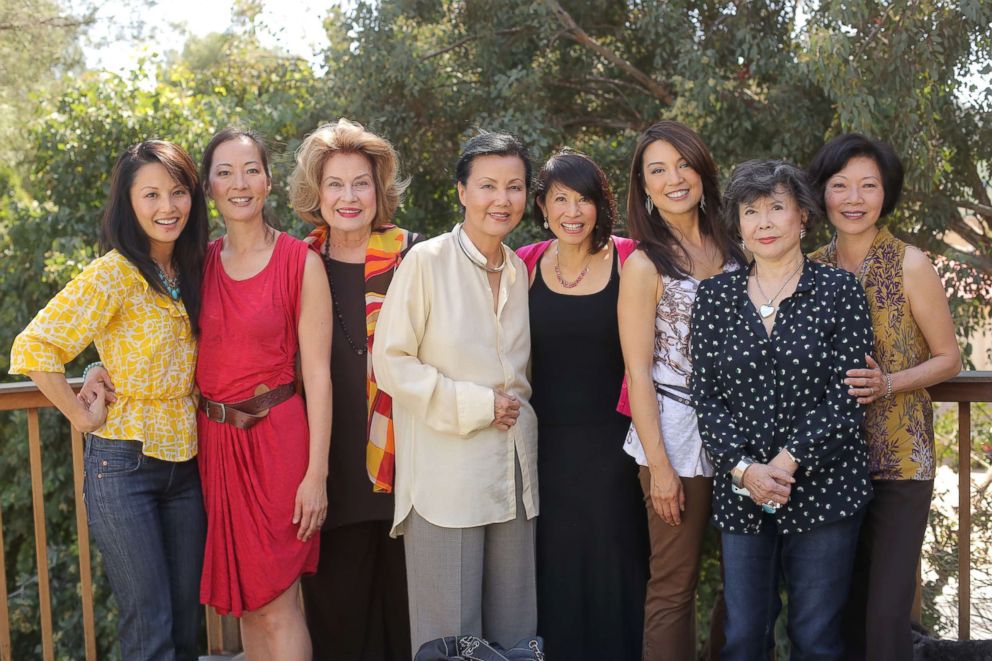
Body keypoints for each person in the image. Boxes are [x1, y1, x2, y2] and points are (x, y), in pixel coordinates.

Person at [10, 140, 209, 661]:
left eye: (178, 191)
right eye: (151, 195)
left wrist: (99, 365)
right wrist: (79, 413)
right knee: (151, 627)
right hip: (124, 465)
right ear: (129, 203)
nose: (167, 207)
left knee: (188, 625)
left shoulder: (192, 268)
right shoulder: (114, 272)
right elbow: (34, 345)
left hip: (187, 462)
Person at [691, 159, 874, 659]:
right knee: (743, 636)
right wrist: (747, 470)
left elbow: (848, 395)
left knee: (815, 638)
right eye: (752, 211)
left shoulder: (839, 292)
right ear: (738, 225)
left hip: (826, 489)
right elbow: (705, 397)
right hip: (741, 492)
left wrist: (786, 462)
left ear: (803, 218)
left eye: (777, 208)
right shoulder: (714, 298)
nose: (765, 222)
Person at [371, 132, 539, 655]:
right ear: (462, 192)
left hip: (513, 475)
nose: (502, 199)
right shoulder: (426, 262)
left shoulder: (518, 268)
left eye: (514, 186)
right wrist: (476, 404)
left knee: (514, 636)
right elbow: (392, 363)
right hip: (445, 479)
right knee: (449, 641)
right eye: (487, 185)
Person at [807, 134, 961, 661]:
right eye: (840, 185)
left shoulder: (911, 263)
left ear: (885, 194)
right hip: (827, 461)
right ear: (822, 194)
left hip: (900, 459)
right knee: (836, 606)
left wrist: (889, 382)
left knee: (887, 612)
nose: (854, 198)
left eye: (868, 186)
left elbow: (949, 358)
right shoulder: (807, 266)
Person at [288, 118, 422, 661]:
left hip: (408, 477)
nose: (349, 197)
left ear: (379, 189)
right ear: (315, 194)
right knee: (341, 634)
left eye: (360, 183)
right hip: (327, 479)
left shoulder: (415, 256)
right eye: (335, 184)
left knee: (411, 632)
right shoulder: (295, 264)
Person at [195, 128, 332, 659]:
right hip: (216, 449)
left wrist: (315, 475)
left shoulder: (301, 261)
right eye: (225, 172)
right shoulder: (196, 264)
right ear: (208, 187)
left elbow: (317, 376)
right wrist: (94, 368)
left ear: (269, 181)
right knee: (248, 604)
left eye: (251, 169)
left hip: (279, 447)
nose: (239, 183)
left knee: (278, 602)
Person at [616, 120, 743, 660]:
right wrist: (661, 467)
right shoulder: (645, 264)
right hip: (675, 430)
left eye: (683, 164)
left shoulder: (738, 244)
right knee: (674, 583)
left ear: (702, 169)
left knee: (747, 580)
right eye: (658, 170)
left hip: (745, 430)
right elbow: (637, 371)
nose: (674, 178)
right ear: (644, 186)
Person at [515, 149, 647, 661]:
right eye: (559, 199)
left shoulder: (631, 257)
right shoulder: (522, 264)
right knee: (555, 575)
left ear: (600, 204)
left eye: (583, 199)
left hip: (617, 447)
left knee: (618, 570)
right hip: (544, 450)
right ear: (543, 207)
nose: (573, 211)